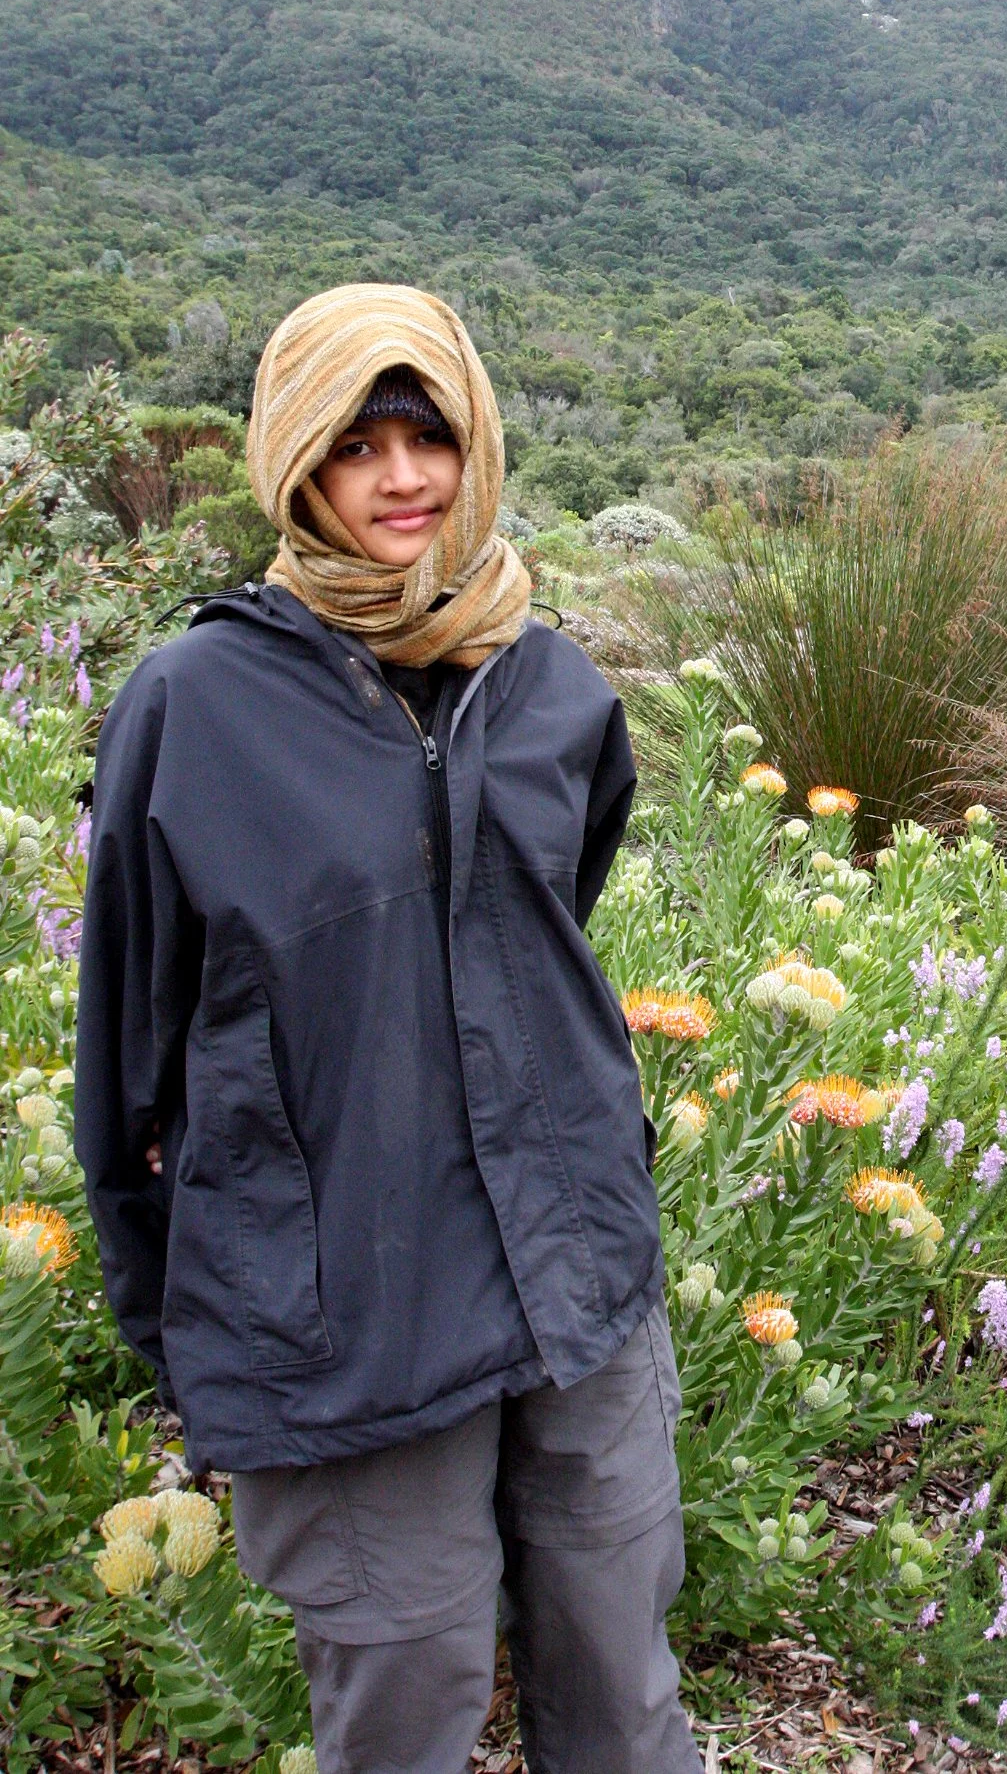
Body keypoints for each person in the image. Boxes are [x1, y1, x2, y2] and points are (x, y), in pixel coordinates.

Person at [76, 283, 700, 1774]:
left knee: (622, 1693)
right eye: (356, 444)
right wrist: (188, 1323)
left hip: (574, 1270)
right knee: (407, 1699)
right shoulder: (195, 705)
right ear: (295, 460)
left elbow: (547, 921)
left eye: (431, 437)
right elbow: (129, 1047)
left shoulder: (549, 683)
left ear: (476, 442)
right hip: (344, 1302)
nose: (402, 478)